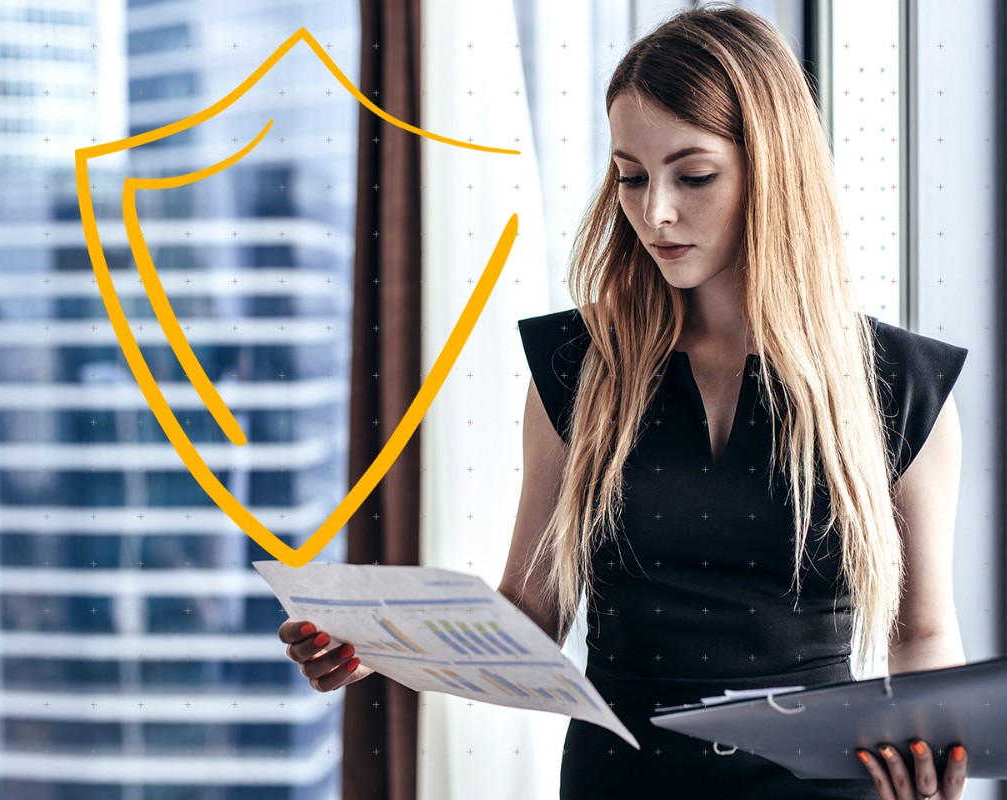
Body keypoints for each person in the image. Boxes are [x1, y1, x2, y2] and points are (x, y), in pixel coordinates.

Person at [279, 4, 970, 798]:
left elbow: (921, 631)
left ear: (773, 170)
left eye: (694, 175)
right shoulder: (578, 368)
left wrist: (931, 752)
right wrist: (373, 644)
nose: (655, 212)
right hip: (620, 781)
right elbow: (531, 617)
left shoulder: (900, 384)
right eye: (631, 177)